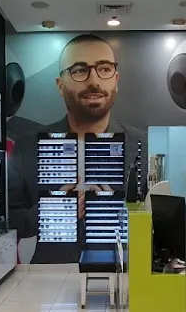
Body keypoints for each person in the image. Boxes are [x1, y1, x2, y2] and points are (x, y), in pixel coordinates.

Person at [8, 33, 145, 241]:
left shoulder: (142, 144)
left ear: (116, 81)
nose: (94, 81)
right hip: (48, 261)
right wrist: (48, 212)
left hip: (121, 261)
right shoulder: (27, 146)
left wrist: (116, 214)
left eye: (104, 69)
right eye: (79, 70)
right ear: (60, 85)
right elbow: (7, 222)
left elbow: (161, 225)